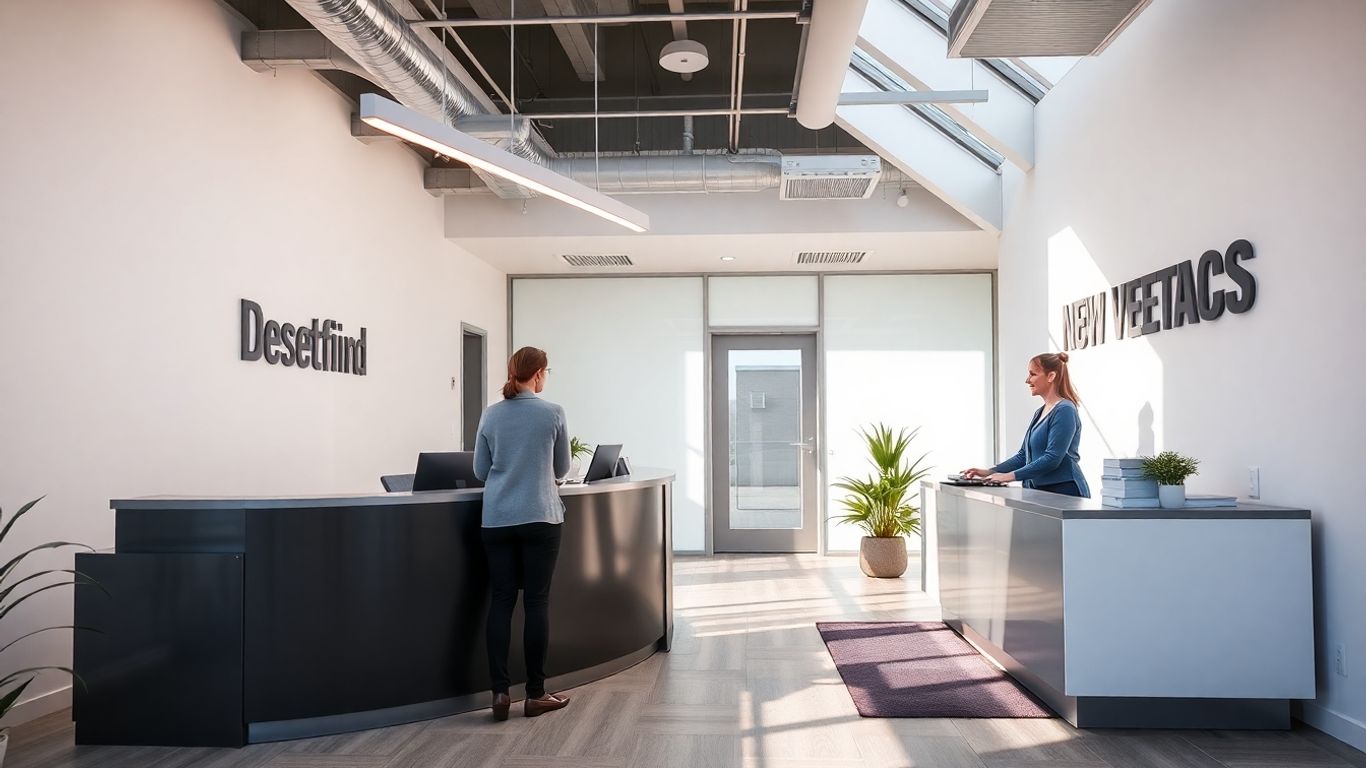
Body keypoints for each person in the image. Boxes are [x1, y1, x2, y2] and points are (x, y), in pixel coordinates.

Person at [473, 346, 572, 720]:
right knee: (535, 603)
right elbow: (561, 468)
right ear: (539, 374)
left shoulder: (491, 415)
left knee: (500, 601)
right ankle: (535, 694)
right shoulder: (553, 413)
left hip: (497, 519)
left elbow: (481, 471)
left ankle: (499, 694)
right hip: (540, 518)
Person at [961, 351, 1091, 498]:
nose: (1027, 380)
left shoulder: (1065, 410)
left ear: (1051, 376)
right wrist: (990, 472)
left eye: (1033, 374)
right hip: (1040, 492)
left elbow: (1053, 458)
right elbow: (1023, 456)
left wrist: (1009, 476)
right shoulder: (1040, 412)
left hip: (1065, 492)